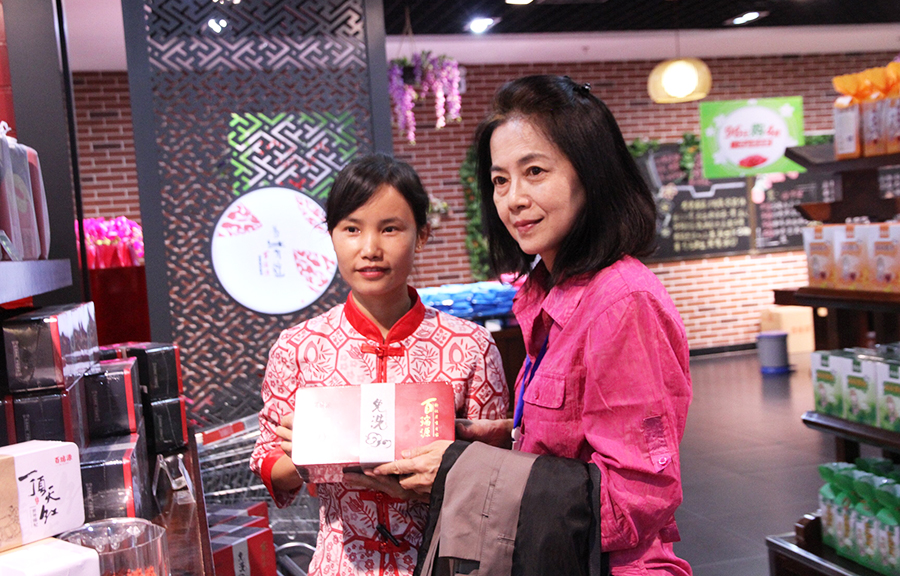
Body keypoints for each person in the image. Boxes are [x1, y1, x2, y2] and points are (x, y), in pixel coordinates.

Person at [372, 75, 693, 575]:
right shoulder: (547, 290)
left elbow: (635, 501)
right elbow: (570, 444)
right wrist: (488, 439)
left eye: (535, 171)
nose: (513, 199)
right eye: (500, 180)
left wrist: (464, 472)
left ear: (592, 175)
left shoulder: (622, 302)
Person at [249, 153, 509, 576]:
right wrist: (306, 456)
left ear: (421, 235)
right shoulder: (298, 347)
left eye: (390, 229)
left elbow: (499, 476)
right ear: (332, 236)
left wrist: (438, 478)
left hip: (445, 563)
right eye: (351, 229)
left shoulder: (470, 346)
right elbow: (267, 463)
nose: (370, 249)